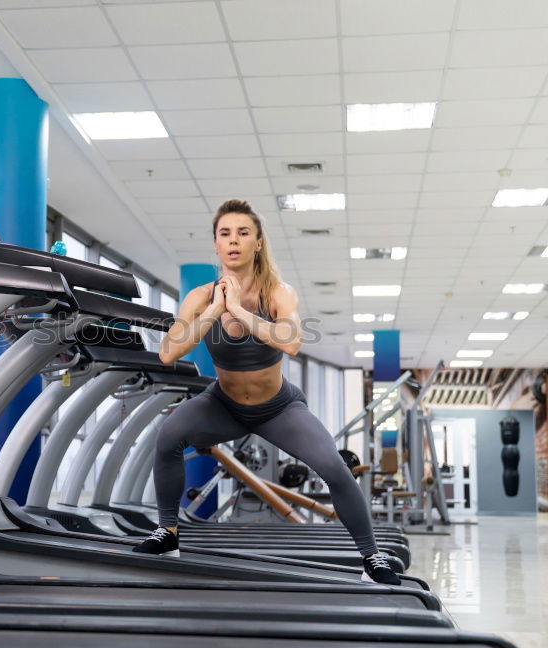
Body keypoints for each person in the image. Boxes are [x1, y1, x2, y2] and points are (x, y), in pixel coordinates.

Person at [132, 199, 400, 586]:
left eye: (243, 233)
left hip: (278, 409)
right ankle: (168, 533)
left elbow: (290, 342)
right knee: (169, 436)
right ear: (217, 245)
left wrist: (239, 312)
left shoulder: (278, 292)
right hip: (223, 405)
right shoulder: (200, 298)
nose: (234, 241)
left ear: (258, 243)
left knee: (334, 469)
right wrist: (214, 311)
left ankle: (372, 558)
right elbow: (168, 350)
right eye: (225, 234)